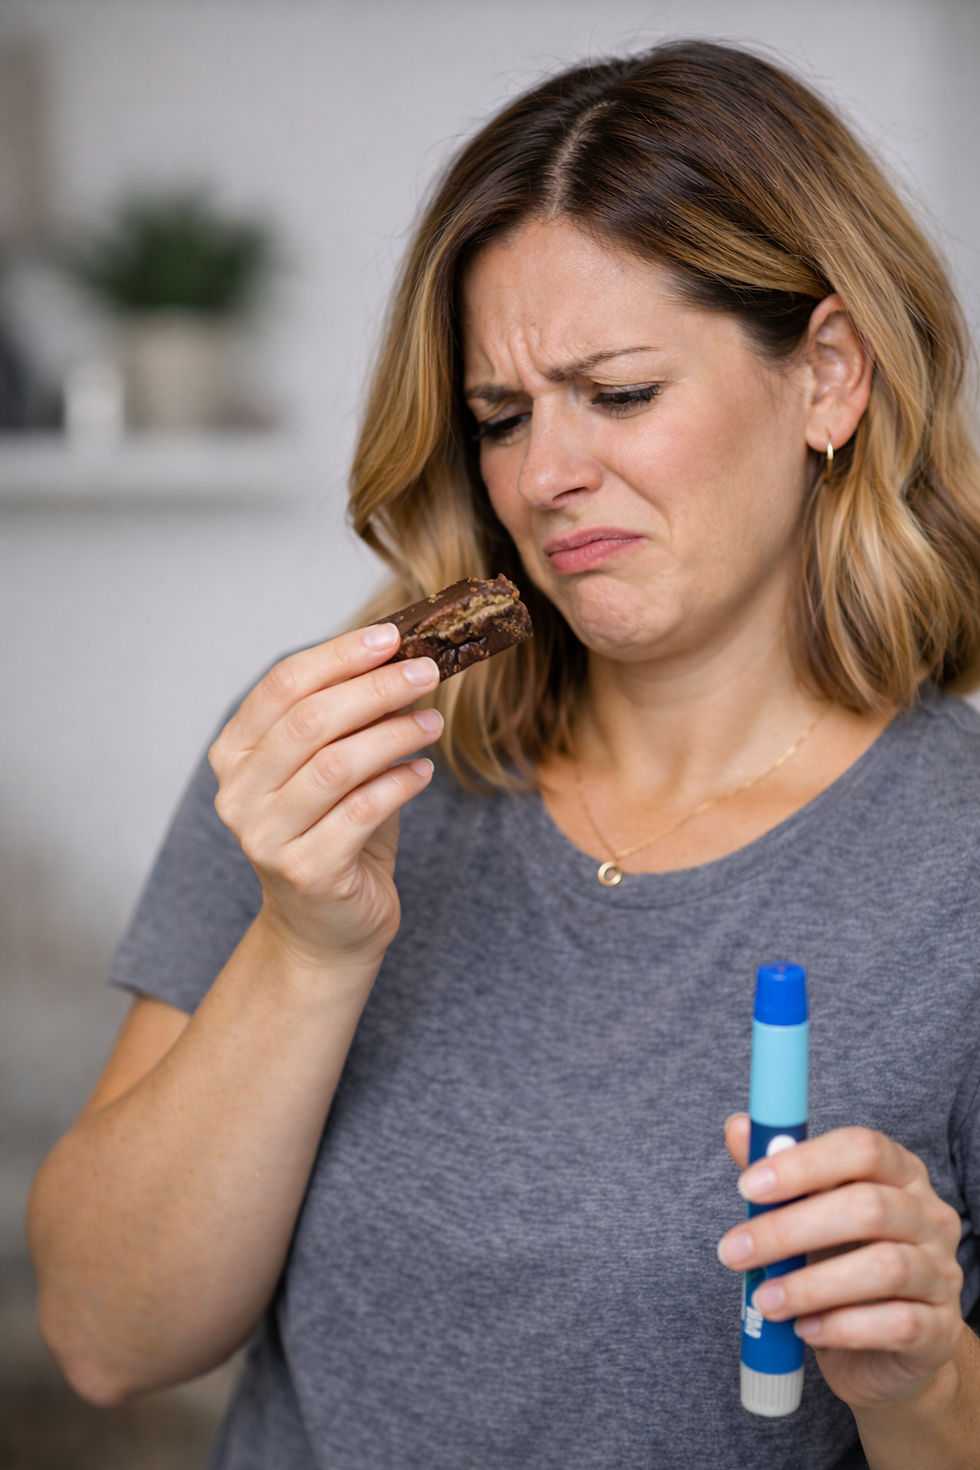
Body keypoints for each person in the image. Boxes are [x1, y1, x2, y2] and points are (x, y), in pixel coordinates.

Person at [26, 38, 980, 1470]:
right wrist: (308, 942)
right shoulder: (329, 777)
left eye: (620, 392)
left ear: (829, 376)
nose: (545, 476)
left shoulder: (956, 868)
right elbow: (106, 1334)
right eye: (501, 417)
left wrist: (922, 1381)